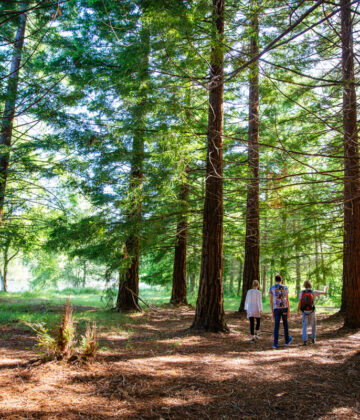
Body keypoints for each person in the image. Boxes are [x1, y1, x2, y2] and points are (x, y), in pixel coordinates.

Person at [297, 280, 327, 346]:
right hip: (312, 311)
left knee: (304, 326)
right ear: (310, 285)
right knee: (313, 325)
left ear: (304, 285)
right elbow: (324, 292)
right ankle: (313, 338)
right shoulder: (314, 292)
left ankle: (305, 340)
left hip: (304, 312)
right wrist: (325, 288)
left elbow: (300, 302)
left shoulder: (301, 292)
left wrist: (298, 311)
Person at [269, 274, 292, 349]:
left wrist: (272, 311)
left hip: (276, 308)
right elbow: (287, 299)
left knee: (276, 325)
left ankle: (275, 344)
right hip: (284, 307)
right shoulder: (285, 287)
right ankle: (286, 341)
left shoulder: (271, 288)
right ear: (281, 280)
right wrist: (289, 310)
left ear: (275, 280)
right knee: (285, 324)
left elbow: (271, 301)